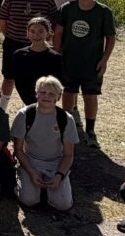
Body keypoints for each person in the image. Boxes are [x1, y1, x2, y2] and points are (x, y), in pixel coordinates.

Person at [53, 0, 116, 149]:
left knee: (90, 96)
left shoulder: (103, 12)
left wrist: (104, 60)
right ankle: (67, 127)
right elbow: (58, 33)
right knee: (68, 92)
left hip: (92, 62)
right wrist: (56, 54)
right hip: (69, 61)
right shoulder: (67, 8)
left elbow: (110, 37)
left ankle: (90, 131)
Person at [11, 76, 77, 211]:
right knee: (29, 200)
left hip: (56, 163)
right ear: (36, 94)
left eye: (51, 94)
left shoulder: (66, 119)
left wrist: (59, 175)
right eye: (43, 92)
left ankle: (55, 186)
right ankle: (25, 180)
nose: (46, 96)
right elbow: (18, 149)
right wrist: (31, 172)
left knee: (63, 205)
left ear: (58, 97)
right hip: (31, 161)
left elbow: (68, 154)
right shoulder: (25, 115)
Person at [0, 0, 58, 111]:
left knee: (37, 78)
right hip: (13, 43)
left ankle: (37, 108)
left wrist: (45, 41)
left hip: (38, 47)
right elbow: (3, 19)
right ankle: (2, 109)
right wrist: (10, 36)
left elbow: (54, 23)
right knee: (9, 77)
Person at [11, 17, 64, 106]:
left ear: (48, 32)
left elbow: (57, 83)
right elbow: (19, 81)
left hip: (47, 101)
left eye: (41, 31)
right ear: (27, 33)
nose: (36, 35)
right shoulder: (19, 55)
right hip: (27, 100)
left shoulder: (55, 57)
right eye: (32, 31)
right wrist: (29, 101)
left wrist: (46, 99)